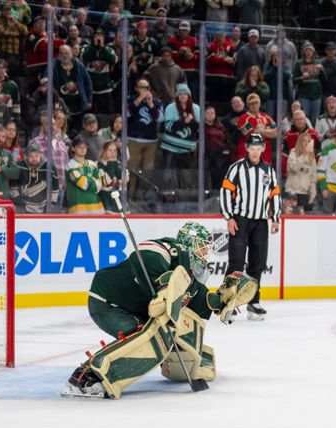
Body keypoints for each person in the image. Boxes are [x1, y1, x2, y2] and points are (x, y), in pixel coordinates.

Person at [62, 222, 256, 398]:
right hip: (108, 301)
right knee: (148, 334)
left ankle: (172, 361)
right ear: (187, 243)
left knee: (164, 331)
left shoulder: (190, 281)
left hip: (131, 308)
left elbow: (203, 302)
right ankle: (84, 378)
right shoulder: (172, 249)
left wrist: (223, 301)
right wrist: (163, 287)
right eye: (201, 247)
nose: (205, 253)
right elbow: (145, 254)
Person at [220, 133, 281, 321]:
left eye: (258, 148)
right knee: (236, 263)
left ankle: (253, 302)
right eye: (252, 148)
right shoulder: (236, 168)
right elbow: (225, 192)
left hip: (261, 222)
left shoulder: (269, 171)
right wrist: (229, 217)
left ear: (263, 149)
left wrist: (276, 217)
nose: (255, 152)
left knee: (258, 262)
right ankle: (227, 304)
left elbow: (275, 194)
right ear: (247, 149)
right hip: (240, 220)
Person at [15, 143, 58, 213]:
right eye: (31, 156)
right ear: (26, 156)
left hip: (43, 207)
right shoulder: (19, 166)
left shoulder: (50, 168)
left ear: (41, 155)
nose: (34, 158)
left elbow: (55, 188)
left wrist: (50, 204)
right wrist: (19, 202)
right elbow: (13, 186)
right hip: (23, 206)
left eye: (37, 156)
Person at [65, 135, 103, 214]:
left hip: (96, 206)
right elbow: (82, 183)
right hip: (78, 207)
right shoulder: (70, 165)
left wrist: (87, 180)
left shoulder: (93, 164)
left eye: (84, 147)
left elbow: (99, 186)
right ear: (73, 148)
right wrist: (93, 180)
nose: (82, 149)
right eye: (79, 147)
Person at [286, 131, 318, 213]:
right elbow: (294, 168)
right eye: (304, 140)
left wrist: (312, 195)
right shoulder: (293, 153)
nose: (306, 143)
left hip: (304, 193)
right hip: (291, 192)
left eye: (308, 141)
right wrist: (304, 155)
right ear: (300, 141)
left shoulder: (312, 158)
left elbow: (313, 177)